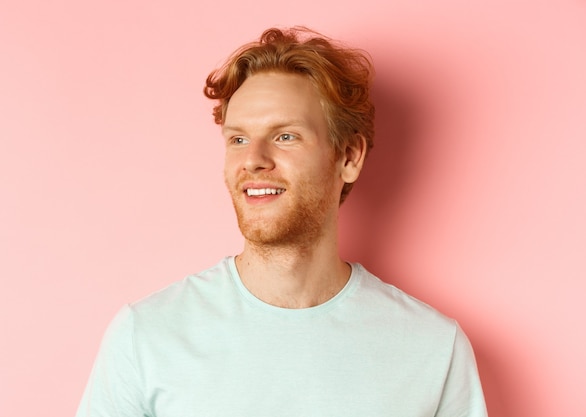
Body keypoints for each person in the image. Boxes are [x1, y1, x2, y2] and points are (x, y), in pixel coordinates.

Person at [76, 27, 487, 417]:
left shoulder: (431, 347)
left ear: (348, 158)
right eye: (238, 139)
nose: (253, 159)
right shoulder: (147, 335)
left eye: (285, 136)